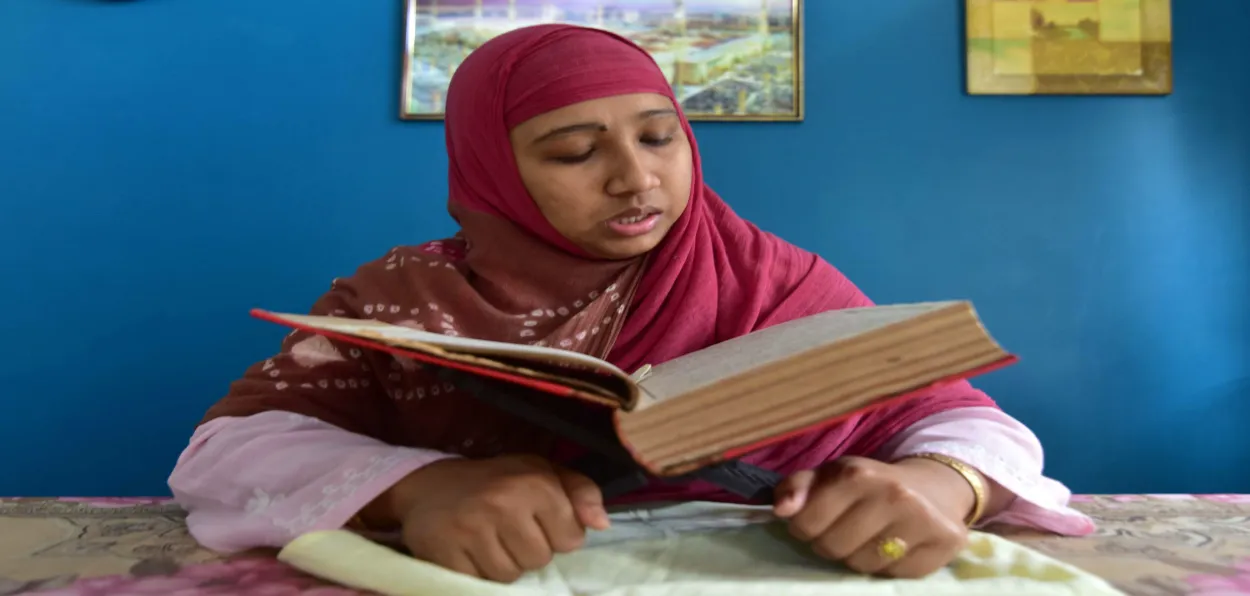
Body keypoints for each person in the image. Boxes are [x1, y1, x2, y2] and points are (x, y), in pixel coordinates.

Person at [169, 24, 1093, 584]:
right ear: (492, 168)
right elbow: (228, 451)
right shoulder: (407, 299)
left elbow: (970, 422)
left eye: (661, 138)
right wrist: (419, 488)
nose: (635, 177)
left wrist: (939, 485)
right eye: (575, 153)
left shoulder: (772, 278)